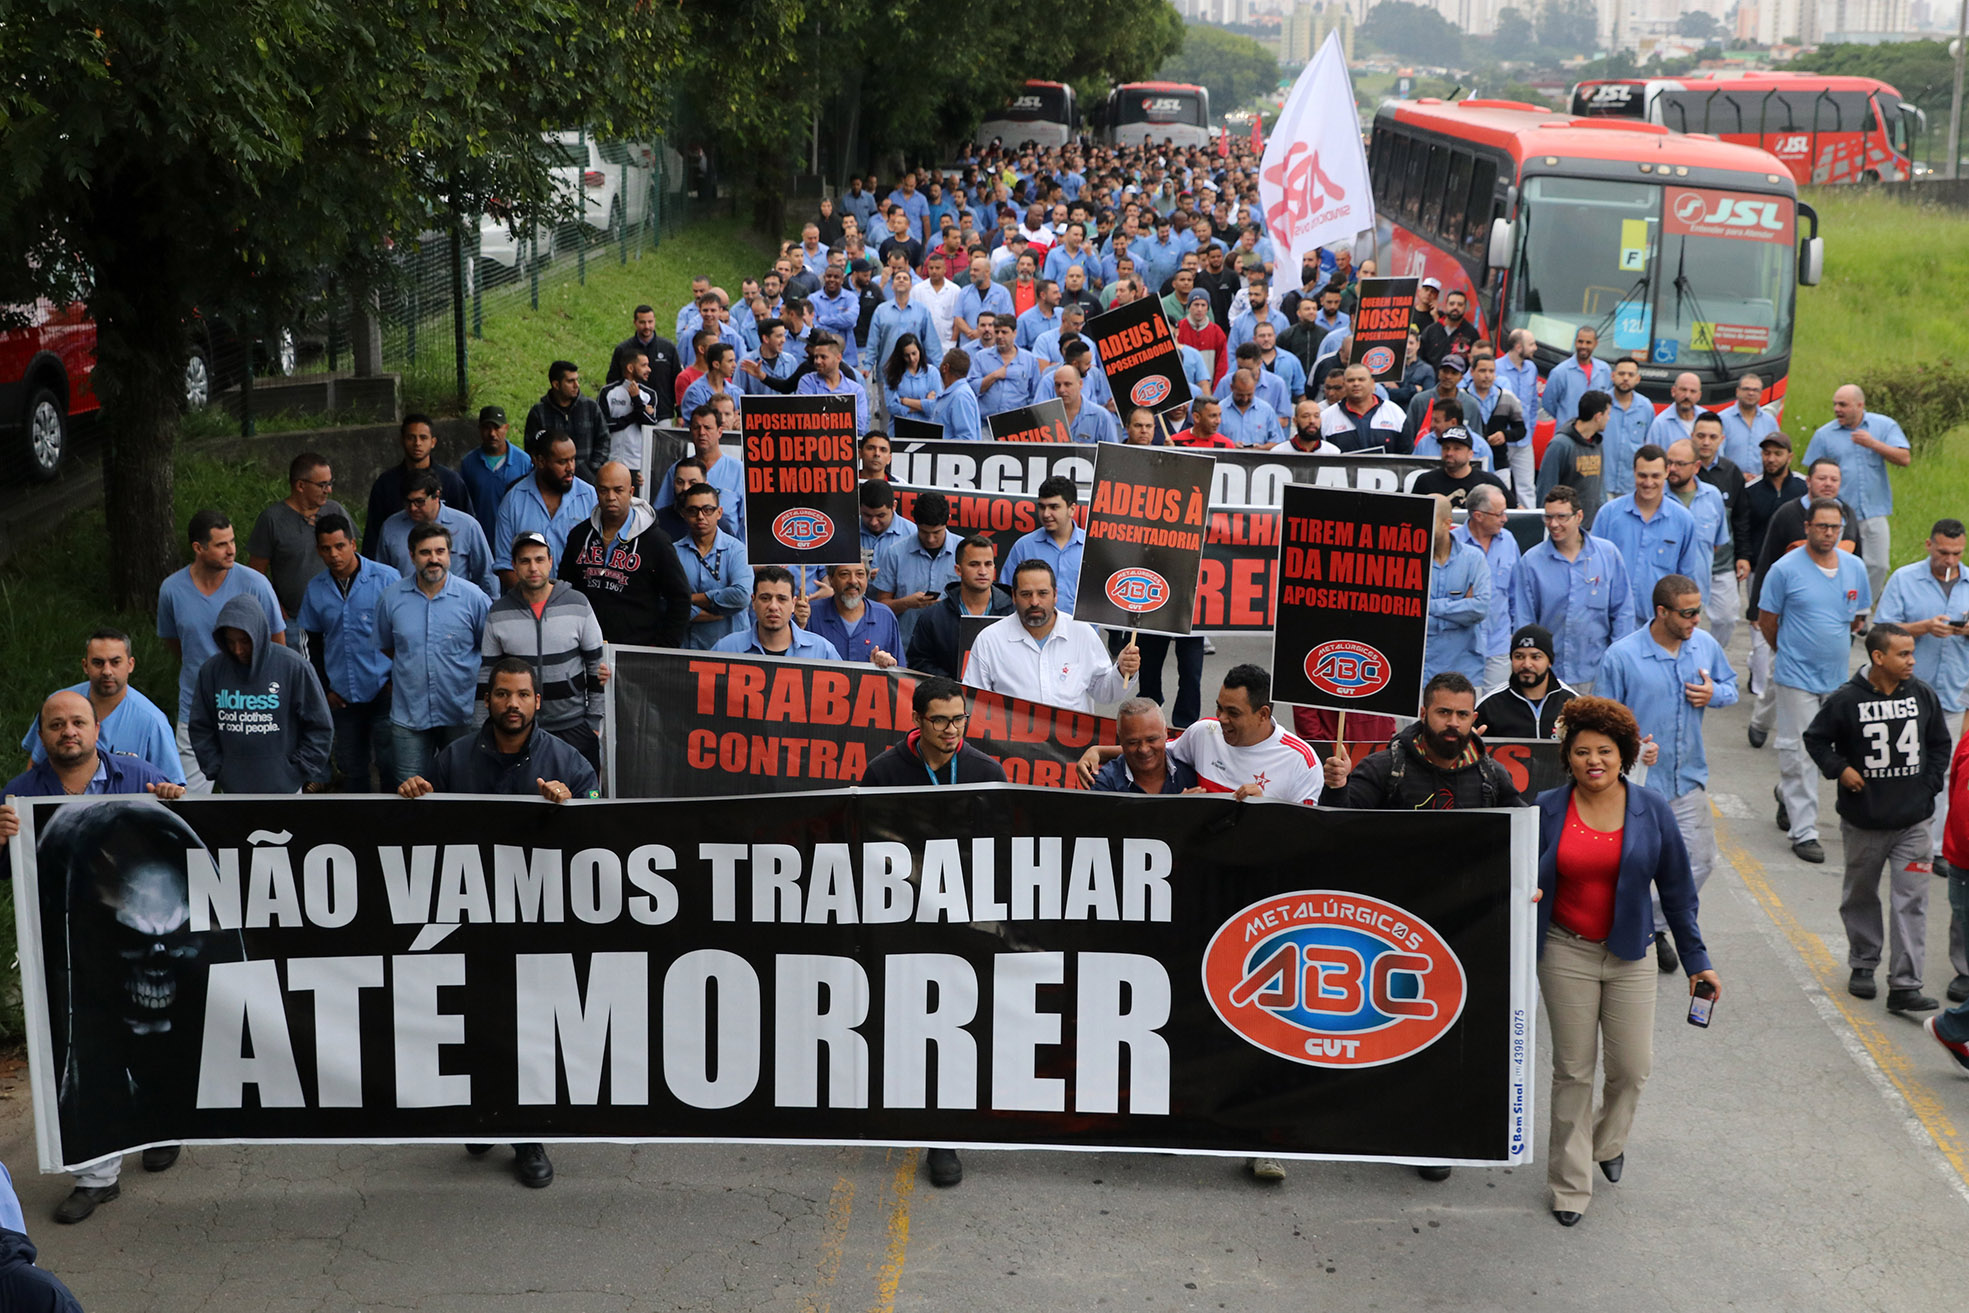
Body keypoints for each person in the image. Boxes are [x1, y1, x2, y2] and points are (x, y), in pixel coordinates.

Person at [397, 656, 597, 1190]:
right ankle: (485, 1114)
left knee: (528, 1027)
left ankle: (526, 1134)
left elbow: (604, 828)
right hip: (471, 921)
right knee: (477, 1021)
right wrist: (414, 797)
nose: (513, 704)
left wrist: (573, 807)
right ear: (488, 700)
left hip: (538, 925)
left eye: (522, 695)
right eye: (503, 694)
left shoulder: (568, 761)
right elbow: (421, 836)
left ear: (538, 701)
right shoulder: (454, 758)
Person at [0, 692, 188, 1226]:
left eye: (77, 722)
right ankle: (96, 1176)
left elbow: (192, 847)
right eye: (56, 725)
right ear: (42, 735)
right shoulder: (18, 795)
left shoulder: (140, 776)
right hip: (72, 959)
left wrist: (176, 798)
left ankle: (162, 1128)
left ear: (96, 729)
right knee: (87, 1051)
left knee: (166, 1033)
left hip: (148, 953)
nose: (68, 732)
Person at [1533, 696, 1717, 1227]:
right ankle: (1569, 1186)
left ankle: (1607, 1141)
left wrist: (1697, 960)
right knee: (1572, 1070)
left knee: (1633, 1069)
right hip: (1565, 952)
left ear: (1625, 755)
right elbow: (1519, 876)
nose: (1594, 761)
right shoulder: (1545, 808)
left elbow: (1679, 894)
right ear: (1567, 757)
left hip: (1630, 952)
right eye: (1582, 751)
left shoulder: (1652, 810)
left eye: (1605, 751)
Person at [861, 674, 1010, 1188]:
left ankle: (942, 1133)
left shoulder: (985, 770)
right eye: (941, 720)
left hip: (967, 919)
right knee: (911, 1020)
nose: (952, 730)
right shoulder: (883, 772)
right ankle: (928, 1121)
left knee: (958, 1020)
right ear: (917, 721)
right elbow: (863, 845)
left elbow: (1003, 846)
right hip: (903, 918)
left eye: (960, 718)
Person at [1803, 623, 1951, 1013]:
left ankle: (1905, 983)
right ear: (1878, 657)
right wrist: (1839, 768)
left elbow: (1939, 744)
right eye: (1903, 654)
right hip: (1864, 823)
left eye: (1912, 652)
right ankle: (1864, 963)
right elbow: (1815, 738)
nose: (1912, 660)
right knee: (1861, 894)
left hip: (1914, 823)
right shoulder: (1846, 700)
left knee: (1912, 901)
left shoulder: (1923, 695)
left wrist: (1929, 786)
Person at [1598, 575, 1738, 973]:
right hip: (1638, 788)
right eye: (1688, 612)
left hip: (1687, 779)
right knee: (1634, 866)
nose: (1697, 619)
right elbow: (1602, 722)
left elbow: (1732, 688)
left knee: (1701, 860)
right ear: (1662, 612)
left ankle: (1651, 924)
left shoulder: (1704, 647)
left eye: (1699, 610)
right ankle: (1628, 930)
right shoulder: (1622, 657)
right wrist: (1633, 748)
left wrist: (1715, 695)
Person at [1872, 520, 1969, 991]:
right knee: (1907, 768)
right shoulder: (1905, 579)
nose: (1949, 561)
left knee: (1946, 773)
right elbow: (1881, 630)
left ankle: (1933, 848)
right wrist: (1922, 628)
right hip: (1908, 694)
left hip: (1952, 694)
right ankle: (1907, 832)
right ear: (1929, 545)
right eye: (1943, 552)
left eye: (1956, 554)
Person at [1758, 497, 1873, 864]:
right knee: (1800, 752)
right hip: (1795, 676)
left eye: (1834, 527)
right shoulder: (1785, 569)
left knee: (1835, 753)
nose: (1828, 533)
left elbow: (1857, 620)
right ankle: (1804, 831)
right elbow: (1767, 620)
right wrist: (1788, 651)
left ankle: (1785, 792)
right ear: (1807, 527)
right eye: (1821, 526)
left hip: (1837, 679)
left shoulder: (1854, 568)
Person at [157, 509, 286, 792]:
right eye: (221, 544)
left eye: (232, 541)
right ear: (198, 548)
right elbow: (176, 643)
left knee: (254, 798)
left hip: (250, 708)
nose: (231, 550)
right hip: (196, 707)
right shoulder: (171, 590)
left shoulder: (256, 584)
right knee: (187, 797)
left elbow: (278, 646)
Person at [1746, 456, 1860, 748]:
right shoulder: (1787, 514)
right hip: (1790, 616)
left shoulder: (1847, 515)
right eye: (1822, 478)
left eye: (1834, 479)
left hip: (1830, 619)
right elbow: (1768, 559)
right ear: (1809, 481)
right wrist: (1756, 607)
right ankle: (1761, 721)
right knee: (1777, 674)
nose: (1828, 484)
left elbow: (1857, 558)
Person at [375, 522, 491, 785]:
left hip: (461, 711)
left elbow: (489, 650)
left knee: (463, 787)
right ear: (412, 554)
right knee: (410, 791)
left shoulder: (473, 598)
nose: (434, 559)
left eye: (440, 551)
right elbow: (387, 646)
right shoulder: (391, 598)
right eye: (425, 552)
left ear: (450, 554)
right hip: (409, 713)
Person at [482, 531, 605, 770]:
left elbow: (596, 666)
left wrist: (594, 722)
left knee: (585, 797)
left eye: (539, 559)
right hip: (519, 728)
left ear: (551, 562)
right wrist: (483, 726)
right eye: (525, 561)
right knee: (523, 798)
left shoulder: (578, 603)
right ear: (514, 567)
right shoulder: (498, 612)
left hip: (574, 727)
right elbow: (487, 674)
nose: (533, 567)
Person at [188, 593, 333, 794]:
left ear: (259, 633)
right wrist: (218, 769)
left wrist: (298, 770)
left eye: (244, 641)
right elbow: (200, 726)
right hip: (232, 790)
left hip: (286, 791)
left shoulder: (294, 667)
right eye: (230, 641)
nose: (238, 649)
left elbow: (320, 726)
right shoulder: (211, 671)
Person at [299, 513, 399, 791]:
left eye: (340, 546)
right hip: (341, 694)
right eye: (326, 548)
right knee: (351, 767)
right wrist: (324, 689)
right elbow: (311, 643)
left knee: (390, 764)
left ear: (353, 544)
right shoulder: (315, 589)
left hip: (384, 689)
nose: (334, 555)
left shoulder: (387, 579)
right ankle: (358, 830)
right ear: (318, 550)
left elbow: (403, 633)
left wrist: (395, 680)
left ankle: (395, 827)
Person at [968, 560, 1137, 713]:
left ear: (1055, 595)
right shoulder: (989, 640)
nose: (1035, 602)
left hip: (1073, 745)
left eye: (1043, 593)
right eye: (1026, 594)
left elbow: (1104, 693)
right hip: (1010, 746)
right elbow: (974, 702)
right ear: (1014, 596)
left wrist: (1122, 671)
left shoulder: (1082, 633)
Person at [1514, 486, 1637, 695]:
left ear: (1578, 516)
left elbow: (1623, 613)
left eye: (1562, 517)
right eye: (1549, 517)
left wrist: (1616, 664)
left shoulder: (1607, 555)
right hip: (1551, 677)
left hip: (1598, 675)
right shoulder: (1531, 563)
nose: (1554, 524)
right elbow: (1524, 621)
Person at [559, 460, 692, 650]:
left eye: (618, 490)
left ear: (631, 492)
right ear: (596, 492)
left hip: (637, 652)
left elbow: (680, 598)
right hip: (584, 647)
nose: (611, 497)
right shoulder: (579, 536)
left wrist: (664, 647)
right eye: (604, 490)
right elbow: (565, 589)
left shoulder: (655, 540)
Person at [19, 629, 181, 782]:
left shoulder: (152, 721)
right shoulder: (58, 704)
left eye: (115, 662)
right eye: (98, 663)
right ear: (85, 666)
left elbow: (174, 786)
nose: (107, 671)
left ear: (130, 665)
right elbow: (35, 766)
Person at [1805, 384, 1910, 602]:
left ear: (1859, 405)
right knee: (1839, 564)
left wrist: (1873, 444)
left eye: (1842, 404)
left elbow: (1904, 458)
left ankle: (1861, 608)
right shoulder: (1824, 435)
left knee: (1879, 565)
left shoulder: (1884, 425)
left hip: (1874, 510)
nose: (1837, 409)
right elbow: (1811, 473)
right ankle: (1836, 605)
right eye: (1835, 404)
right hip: (1838, 515)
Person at [246, 451, 345, 654]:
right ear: (300, 486)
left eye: (330, 483)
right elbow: (256, 574)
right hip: (294, 622)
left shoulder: (335, 511)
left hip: (338, 617)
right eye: (322, 485)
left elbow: (352, 557)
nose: (329, 490)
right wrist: (279, 613)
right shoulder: (272, 520)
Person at [1595, 445, 1707, 622]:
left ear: (1667, 472)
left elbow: (1686, 577)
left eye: (1655, 476)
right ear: (1633, 472)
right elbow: (1594, 569)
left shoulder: (1683, 521)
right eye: (1642, 475)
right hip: (1612, 620)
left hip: (1660, 623)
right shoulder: (1608, 515)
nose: (1648, 482)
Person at [492, 433, 599, 589]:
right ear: (540, 461)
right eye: (562, 462)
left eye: (572, 459)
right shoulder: (513, 501)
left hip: (578, 602)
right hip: (528, 604)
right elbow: (505, 566)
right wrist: (535, 600)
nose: (571, 468)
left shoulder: (590, 497)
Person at [373, 470, 498, 597]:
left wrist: (492, 609)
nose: (413, 508)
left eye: (419, 501)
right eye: (408, 502)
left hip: (456, 605)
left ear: (436, 496)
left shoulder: (467, 526)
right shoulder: (391, 527)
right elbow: (381, 576)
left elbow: (486, 574)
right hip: (405, 605)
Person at [362, 414, 471, 556]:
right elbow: (373, 534)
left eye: (423, 437)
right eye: (411, 437)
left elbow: (466, 524)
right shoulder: (385, 484)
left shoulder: (451, 481)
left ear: (433, 442)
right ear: (402, 440)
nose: (417, 443)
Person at [907, 534, 1014, 678]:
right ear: (958, 570)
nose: (982, 571)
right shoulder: (933, 617)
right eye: (974, 564)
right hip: (950, 696)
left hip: (1001, 698)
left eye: (988, 564)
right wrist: (951, 686)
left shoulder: (1013, 612)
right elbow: (918, 662)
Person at [1454, 485, 1521, 690]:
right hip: (1461, 648)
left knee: (1497, 710)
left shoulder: (1508, 541)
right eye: (1499, 513)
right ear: (1478, 515)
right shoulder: (1453, 544)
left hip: (1498, 645)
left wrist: (1514, 634)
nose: (1505, 519)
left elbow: (1515, 594)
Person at [872, 491, 957, 647]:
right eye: (924, 532)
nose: (931, 539)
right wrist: (906, 603)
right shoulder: (895, 553)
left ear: (948, 521)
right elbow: (881, 607)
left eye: (936, 532)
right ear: (915, 523)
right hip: (905, 648)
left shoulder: (964, 551)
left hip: (950, 647)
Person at [1690, 415, 1747, 649]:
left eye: (1712, 437)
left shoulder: (1732, 472)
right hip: (1689, 565)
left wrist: (1743, 556)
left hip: (1722, 564)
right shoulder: (1680, 470)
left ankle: (1711, 655)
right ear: (1692, 436)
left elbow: (1742, 519)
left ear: (1721, 439)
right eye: (1701, 436)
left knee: (1726, 618)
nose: (1706, 442)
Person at [1423, 493, 1492, 685]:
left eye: (1429, 520)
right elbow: (1404, 610)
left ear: (1447, 523)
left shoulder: (1473, 558)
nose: (1422, 526)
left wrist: (1428, 606)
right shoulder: (1408, 561)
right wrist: (1460, 604)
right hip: (1421, 673)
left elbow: (1480, 609)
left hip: (1466, 669)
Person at [674, 483, 752, 649]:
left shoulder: (737, 550)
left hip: (731, 651)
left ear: (719, 513)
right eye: (693, 510)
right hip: (686, 649)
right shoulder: (673, 553)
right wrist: (700, 614)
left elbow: (742, 595)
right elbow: (664, 601)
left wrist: (690, 599)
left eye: (707, 509)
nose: (701, 516)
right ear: (684, 514)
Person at [711, 567, 843, 659]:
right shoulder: (726, 649)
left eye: (782, 599)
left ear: (793, 603)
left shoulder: (822, 651)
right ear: (753, 602)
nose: (773, 606)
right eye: (765, 598)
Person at [999, 475, 1086, 613]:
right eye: (1041, 507)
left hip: (1082, 633)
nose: (1046, 514)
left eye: (1054, 507)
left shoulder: (1092, 548)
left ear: (1072, 509)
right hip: (1031, 632)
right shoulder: (1023, 547)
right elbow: (1005, 597)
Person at [1477, 625, 1576, 738]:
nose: (1526, 664)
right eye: (1519, 657)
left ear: (1549, 661)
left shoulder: (1573, 703)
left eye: (1535, 657)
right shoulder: (1489, 706)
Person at [1085, 697, 1199, 794]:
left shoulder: (1192, 773)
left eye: (1151, 739)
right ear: (1121, 740)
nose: (1144, 749)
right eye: (1133, 742)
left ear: (1166, 733)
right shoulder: (1104, 784)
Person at [1536, 391, 1612, 528]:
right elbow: (1545, 489)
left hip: (1591, 526)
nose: (1609, 418)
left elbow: (1599, 487)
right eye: (1608, 414)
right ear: (1598, 416)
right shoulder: (1560, 445)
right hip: (1565, 528)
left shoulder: (1597, 443)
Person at [458, 406, 533, 545]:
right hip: (480, 540)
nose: (492, 433)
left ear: (506, 428)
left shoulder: (524, 462)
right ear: (479, 429)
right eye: (487, 428)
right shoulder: (469, 464)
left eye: (497, 428)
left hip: (515, 540)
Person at [523, 361, 608, 484]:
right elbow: (532, 450)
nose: (576, 385)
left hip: (587, 481)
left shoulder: (590, 407)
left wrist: (592, 467)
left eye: (577, 380)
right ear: (556, 384)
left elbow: (604, 439)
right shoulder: (538, 412)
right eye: (570, 381)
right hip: (552, 482)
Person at [804, 561, 901, 667]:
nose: (853, 581)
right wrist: (800, 623)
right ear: (831, 580)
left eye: (860, 574)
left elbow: (900, 672)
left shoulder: (885, 617)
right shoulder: (810, 614)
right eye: (845, 574)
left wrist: (886, 665)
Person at [598, 346, 661, 490]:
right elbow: (603, 425)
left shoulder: (649, 395)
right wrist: (637, 412)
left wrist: (637, 400)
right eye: (644, 365)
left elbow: (648, 426)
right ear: (630, 368)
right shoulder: (608, 392)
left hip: (637, 464)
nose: (649, 369)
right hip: (610, 460)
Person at [1600, 360, 1655, 502]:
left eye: (1630, 374)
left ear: (1638, 379)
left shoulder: (1645, 407)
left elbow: (1648, 444)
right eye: (1621, 373)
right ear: (1613, 376)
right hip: (1602, 482)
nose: (1625, 378)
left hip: (1632, 485)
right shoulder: (1601, 403)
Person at [1319, 363, 1406, 452]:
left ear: (1372, 383)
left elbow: (1406, 453)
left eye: (1361, 379)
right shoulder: (1326, 417)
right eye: (1351, 380)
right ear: (1344, 384)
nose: (1356, 384)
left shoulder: (1395, 412)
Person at [794, 333, 871, 433]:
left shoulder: (856, 390)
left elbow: (859, 427)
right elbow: (806, 420)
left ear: (838, 358)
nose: (817, 361)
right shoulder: (807, 382)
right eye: (816, 357)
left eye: (823, 357)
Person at [1414, 426, 1507, 508]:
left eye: (1457, 448)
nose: (1449, 453)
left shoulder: (1489, 482)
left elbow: (1516, 511)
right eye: (1446, 448)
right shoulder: (1425, 482)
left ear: (1470, 454)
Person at [606, 304, 681, 403]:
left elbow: (678, 380)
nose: (647, 326)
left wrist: (678, 410)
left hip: (662, 412)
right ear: (635, 322)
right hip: (629, 411)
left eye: (650, 322)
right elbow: (613, 380)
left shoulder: (668, 348)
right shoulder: (623, 349)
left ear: (655, 321)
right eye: (642, 322)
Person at [1538, 327, 1610, 427]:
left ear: (1595, 344)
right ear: (1575, 342)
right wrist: (1564, 417)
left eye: (1588, 342)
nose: (1583, 346)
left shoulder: (1604, 370)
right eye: (1580, 342)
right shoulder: (1560, 372)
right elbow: (1548, 403)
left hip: (1594, 435)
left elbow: (1607, 402)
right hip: (1568, 433)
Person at [1718, 373, 1780, 474]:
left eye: (1755, 390)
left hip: (1761, 483)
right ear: (1737, 391)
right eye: (1746, 389)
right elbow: (1717, 456)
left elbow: (1777, 454)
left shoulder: (1770, 422)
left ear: (1760, 394)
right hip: (1730, 482)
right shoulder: (1722, 419)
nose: (1751, 393)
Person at [883, 334, 940, 424]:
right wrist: (924, 405)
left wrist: (904, 401)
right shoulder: (892, 373)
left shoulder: (932, 372)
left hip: (926, 425)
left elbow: (936, 406)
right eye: (906, 355)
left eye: (914, 353)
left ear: (920, 351)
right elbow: (892, 407)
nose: (911, 359)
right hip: (900, 426)